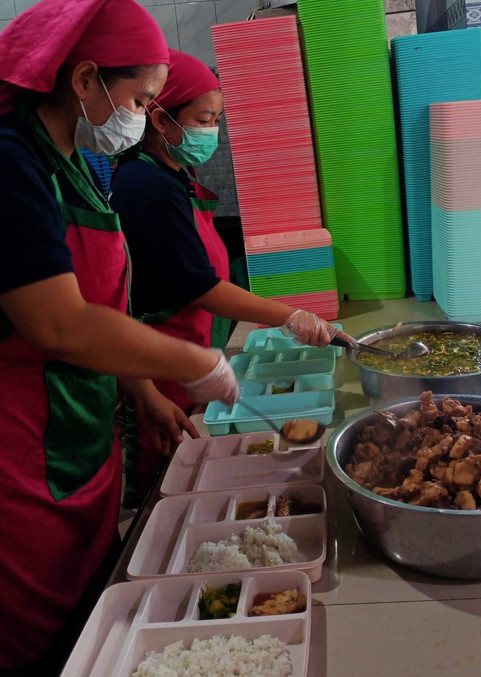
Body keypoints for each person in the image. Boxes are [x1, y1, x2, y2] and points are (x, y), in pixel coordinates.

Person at [0, 2, 240, 673]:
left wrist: (143, 391)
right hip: (21, 464)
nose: (141, 116)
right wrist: (194, 360)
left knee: (97, 626)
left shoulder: (79, 161)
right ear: (83, 81)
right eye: (139, 99)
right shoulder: (11, 163)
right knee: (46, 647)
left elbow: (103, 304)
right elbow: (60, 322)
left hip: (87, 444)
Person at [109, 49, 354, 506]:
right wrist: (290, 316)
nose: (211, 130)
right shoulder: (147, 188)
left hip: (188, 361)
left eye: (217, 118)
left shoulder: (174, 174)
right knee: (164, 496)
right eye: (203, 118)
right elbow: (199, 286)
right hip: (158, 370)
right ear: (160, 120)